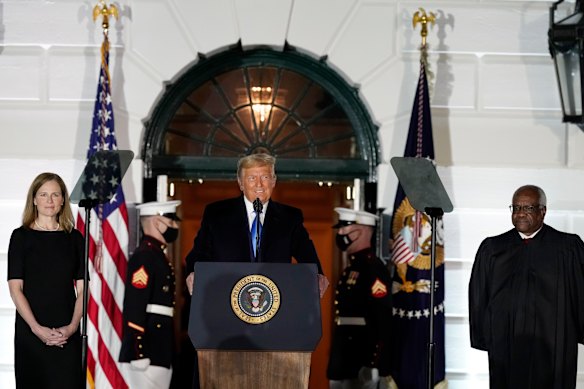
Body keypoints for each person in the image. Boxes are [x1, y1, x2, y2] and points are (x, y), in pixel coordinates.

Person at [469, 185, 584, 389]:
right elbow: (479, 295)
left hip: (554, 343)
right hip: (507, 342)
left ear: (543, 211)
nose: (520, 214)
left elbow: (581, 293)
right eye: (515, 208)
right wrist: (484, 337)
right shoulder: (493, 248)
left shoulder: (567, 247)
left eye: (528, 208)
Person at [185, 153, 329, 296]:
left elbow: (306, 253)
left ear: (273, 181)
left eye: (265, 177)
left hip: (274, 301)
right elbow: (199, 253)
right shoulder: (216, 213)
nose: (259, 184)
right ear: (241, 183)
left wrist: (318, 275)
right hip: (227, 297)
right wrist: (193, 272)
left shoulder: (290, 218)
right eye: (252, 178)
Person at [7, 172, 85, 389]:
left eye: (55, 195)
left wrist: (71, 328)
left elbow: (83, 290)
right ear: (34, 199)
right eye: (43, 195)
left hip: (66, 333)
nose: (49, 201)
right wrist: (36, 328)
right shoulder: (20, 237)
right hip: (30, 332)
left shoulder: (75, 238)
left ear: (63, 200)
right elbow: (15, 289)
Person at [327, 207, 394, 389]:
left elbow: (382, 317)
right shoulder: (353, 267)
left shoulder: (372, 268)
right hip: (344, 359)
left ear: (362, 231)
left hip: (361, 360)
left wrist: (375, 363)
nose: (340, 233)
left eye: (345, 228)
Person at [119, 200, 182, 389]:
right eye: (171, 222)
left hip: (160, 345)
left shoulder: (156, 254)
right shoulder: (145, 256)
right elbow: (135, 304)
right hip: (148, 346)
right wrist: (139, 351)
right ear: (157, 222)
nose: (175, 227)